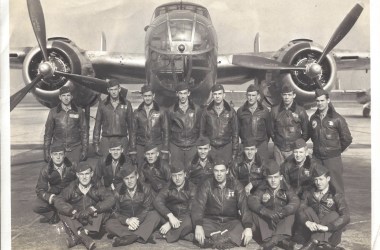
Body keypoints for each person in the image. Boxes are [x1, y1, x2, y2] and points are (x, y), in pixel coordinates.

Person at [191, 159, 253, 249]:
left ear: (227, 171)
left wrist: (248, 227)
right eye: (216, 171)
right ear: (213, 171)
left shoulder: (236, 185)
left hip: (231, 221)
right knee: (197, 227)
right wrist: (198, 225)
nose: (219, 174)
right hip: (212, 221)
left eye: (222, 171)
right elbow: (199, 206)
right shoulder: (207, 184)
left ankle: (212, 240)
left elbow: (244, 207)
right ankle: (225, 240)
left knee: (244, 228)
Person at [54, 162, 115, 250]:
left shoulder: (97, 186)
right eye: (81, 174)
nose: (84, 177)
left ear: (92, 174)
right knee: (61, 211)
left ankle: (78, 236)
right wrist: (73, 211)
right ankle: (82, 234)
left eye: (87, 174)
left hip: (92, 220)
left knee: (105, 211)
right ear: (77, 175)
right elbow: (58, 200)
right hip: (77, 219)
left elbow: (111, 199)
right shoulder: (72, 187)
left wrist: (93, 209)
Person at [248, 160, 300, 250]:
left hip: (282, 221)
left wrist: (283, 212)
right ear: (267, 178)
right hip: (268, 222)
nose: (273, 181)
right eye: (270, 178)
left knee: (292, 213)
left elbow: (295, 201)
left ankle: (273, 241)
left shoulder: (287, 188)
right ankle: (279, 240)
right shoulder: (262, 188)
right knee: (255, 213)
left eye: (276, 177)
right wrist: (265, 211)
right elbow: (252, 200)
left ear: (281, 177)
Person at [296, 163, 350, 250]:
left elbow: (346, 216)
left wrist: (327, 227)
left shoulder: (336, 194)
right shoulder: (308, 192)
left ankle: (314, 241)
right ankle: (321, 244)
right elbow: (300, 210)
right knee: (307, 209)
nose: (318, 183)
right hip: (312, 229)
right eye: (316, 180)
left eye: (321, 179)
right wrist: (307, 222)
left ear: (328, 179)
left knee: (334, 214)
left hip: (330, 233)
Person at [308, 89, 352, 194]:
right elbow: (312, 136)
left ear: (328, 100)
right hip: (317, 158)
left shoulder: (337, 118)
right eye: (317, 101)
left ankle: (341, 210)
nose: (320, 103)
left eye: (322, 100)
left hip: (332, 159)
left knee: (336, 187)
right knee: (317, 186)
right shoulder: (313, 118)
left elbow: (347, 139)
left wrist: (335, 151)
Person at [105, 165, 161, 247]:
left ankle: (129, 237)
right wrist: (127, 220)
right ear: (123, 179)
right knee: (109, 224)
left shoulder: (146, 188)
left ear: (137, 176)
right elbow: (114, 212)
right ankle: (140, 235)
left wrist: (137, 220)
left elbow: (147, 208)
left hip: (141, 220)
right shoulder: (117, 191)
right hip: (126, 223)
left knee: (155, 215)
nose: (129, 181)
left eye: (132, 177)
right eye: (126, 179)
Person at [153, 160, 197, 243]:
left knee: (189, 221)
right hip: (170, 216)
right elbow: (157, 200)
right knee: (154, 213)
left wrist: (170, 224)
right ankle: (184, 235)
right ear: (171, 176)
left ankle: (165, 235)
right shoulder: (168, 186)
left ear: (185, 174)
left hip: (184, 218)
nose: (177, 178)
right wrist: (170, 216)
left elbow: (190, 210)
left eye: (180, 175)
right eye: (174, 176)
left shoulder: (192, 188)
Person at [33, 143, 76, 224]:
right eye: (55, 154)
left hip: (70, 195)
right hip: (56, 196)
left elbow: (80, 181)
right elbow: (40, 189)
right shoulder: (45, 170)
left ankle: (65, 211)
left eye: (60, 154)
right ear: (51, 155)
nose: (58, 157)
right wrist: (52, 198)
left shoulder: (72, 165)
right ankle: (54, 215)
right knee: (37, 205)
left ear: (64, 155)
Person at [44, 86, 88, 164]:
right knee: (59, 173)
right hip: (58, 149)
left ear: (71, 97)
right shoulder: (53, 112)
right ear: (60, 97)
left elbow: (84, 132)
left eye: (68, 95)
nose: (66, 98)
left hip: (75, 148)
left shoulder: (79, 111)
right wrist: (46, 151)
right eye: (63, 95)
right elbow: (48, 133)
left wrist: (85, 150)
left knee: (74, 173)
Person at [93, 79, 134, 157]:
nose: (114, 92)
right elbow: (97, 125)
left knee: (122, 165)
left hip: (122, 139)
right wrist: (95, 143)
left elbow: (131, 127)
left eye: (115, 89)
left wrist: (132, 145)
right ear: (108, 90)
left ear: (119, 89)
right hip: (106, 140)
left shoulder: (127, 104)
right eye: (111, 90)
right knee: (106, 165)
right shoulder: (102, 104)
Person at [131, 84, 169, 168]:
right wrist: (133, 150)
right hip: (141, 145)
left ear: (153, 95)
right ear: (142, 96)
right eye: (145, 96)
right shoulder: (137, 112)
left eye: (149, 95)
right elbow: (133, 132)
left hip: (156, 145)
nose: (147, 98)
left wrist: (165, 149)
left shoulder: (161, 112)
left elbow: (166, 132)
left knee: (158, 170)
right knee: (141, 170)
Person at [200, 84, 239, 164]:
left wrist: (234, 152)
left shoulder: (231, 111)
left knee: (226, 172)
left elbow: (235, 133)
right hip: (211, 148)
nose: (217, 96)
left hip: (226, 147)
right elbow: (202, 132)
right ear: (212, 95)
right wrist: (204, 149)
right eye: (215, 94)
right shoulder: (206, 111)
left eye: (219, 94)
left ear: (224, 95)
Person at [271, 83, 309, 165]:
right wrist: (278, 142)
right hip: (279, 149)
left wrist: (297, 145)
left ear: (294, 95)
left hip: (294, 150)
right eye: (284, 95)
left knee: (293, 173)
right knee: (279, 174)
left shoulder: (301, 111)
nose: (287, 97)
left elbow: (306, 132)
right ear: (281, 95)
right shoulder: (274, 110)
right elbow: (270, 130)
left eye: (289, 94)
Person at [167, 82, 202, 167]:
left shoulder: (196, 109)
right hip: (176, 146)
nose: (183, 96)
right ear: (177, 94)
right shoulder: (171, 110)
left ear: (188, 93)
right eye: (180, 93)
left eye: (185, 93)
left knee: (191, 171)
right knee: (176, 171)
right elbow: (167, 130)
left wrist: (198, 144)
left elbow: (201, 128)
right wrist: (169, 148)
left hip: (192, 146)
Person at [237, 83, 272, 160]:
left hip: (261, 145)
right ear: (246, 96)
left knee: (263, 168)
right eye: (249, 95)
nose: (251, 98)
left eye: (253, 95)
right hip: (247, 145)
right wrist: (245, 140)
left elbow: (269, 130)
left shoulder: (265, 111)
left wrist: (264, 143)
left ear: (258, 96)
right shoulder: (240, 111)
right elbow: (238, 130)